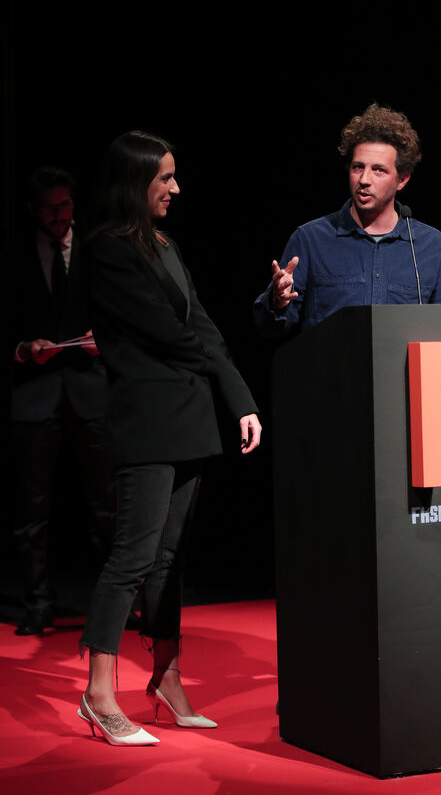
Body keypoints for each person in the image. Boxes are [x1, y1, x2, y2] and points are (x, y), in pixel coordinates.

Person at [77, 131, 261, 746]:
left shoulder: (164, 245)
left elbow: (204, 327)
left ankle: (166, 680)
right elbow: (166, 334)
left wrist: (240, 402)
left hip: (190, 418)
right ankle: (99, 693)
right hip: (147, 420)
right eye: (165, 178)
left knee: (170, 561)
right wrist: (209, 366)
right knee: (132, 554)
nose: (176, 188)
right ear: (136, 182)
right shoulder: (105, 251)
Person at [7, 166, 113, 636]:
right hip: (35, 393)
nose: (60, 215)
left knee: (107, 506)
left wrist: (101, 341)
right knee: (33, 511)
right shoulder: (15, 254)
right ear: (33, 209)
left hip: (91, 389)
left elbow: (119, 314)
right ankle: (38, 605)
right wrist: (22, 349)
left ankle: (116, 606)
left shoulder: (94, 250)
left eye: (66, 205)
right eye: (51, 207)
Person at [253, 103, 441, 337]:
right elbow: (267, 328)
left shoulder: (431, 246)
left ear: (402, 179)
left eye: (378, 170)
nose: (364, 179)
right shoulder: (311, 239)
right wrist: (277, 301)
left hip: (401, 374)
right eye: (358, 167)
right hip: (330, 373)